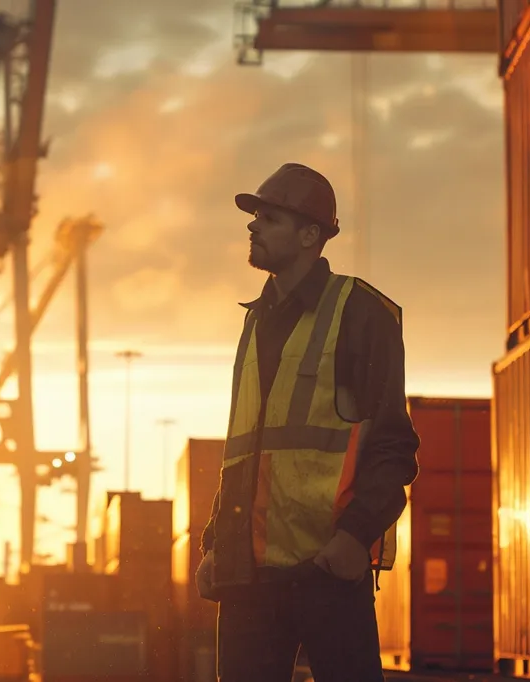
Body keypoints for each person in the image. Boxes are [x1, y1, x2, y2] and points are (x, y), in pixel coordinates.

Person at [195, 163, 420, 682]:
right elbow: (242, 449)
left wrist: (354, 538)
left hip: (326, 571)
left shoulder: (361, 314)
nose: (252, 227)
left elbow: (393, 445)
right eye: (254, 217)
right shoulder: (255, 321)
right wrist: (216, 544)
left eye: (268, 217)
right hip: (249, 578)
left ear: (310, 235)